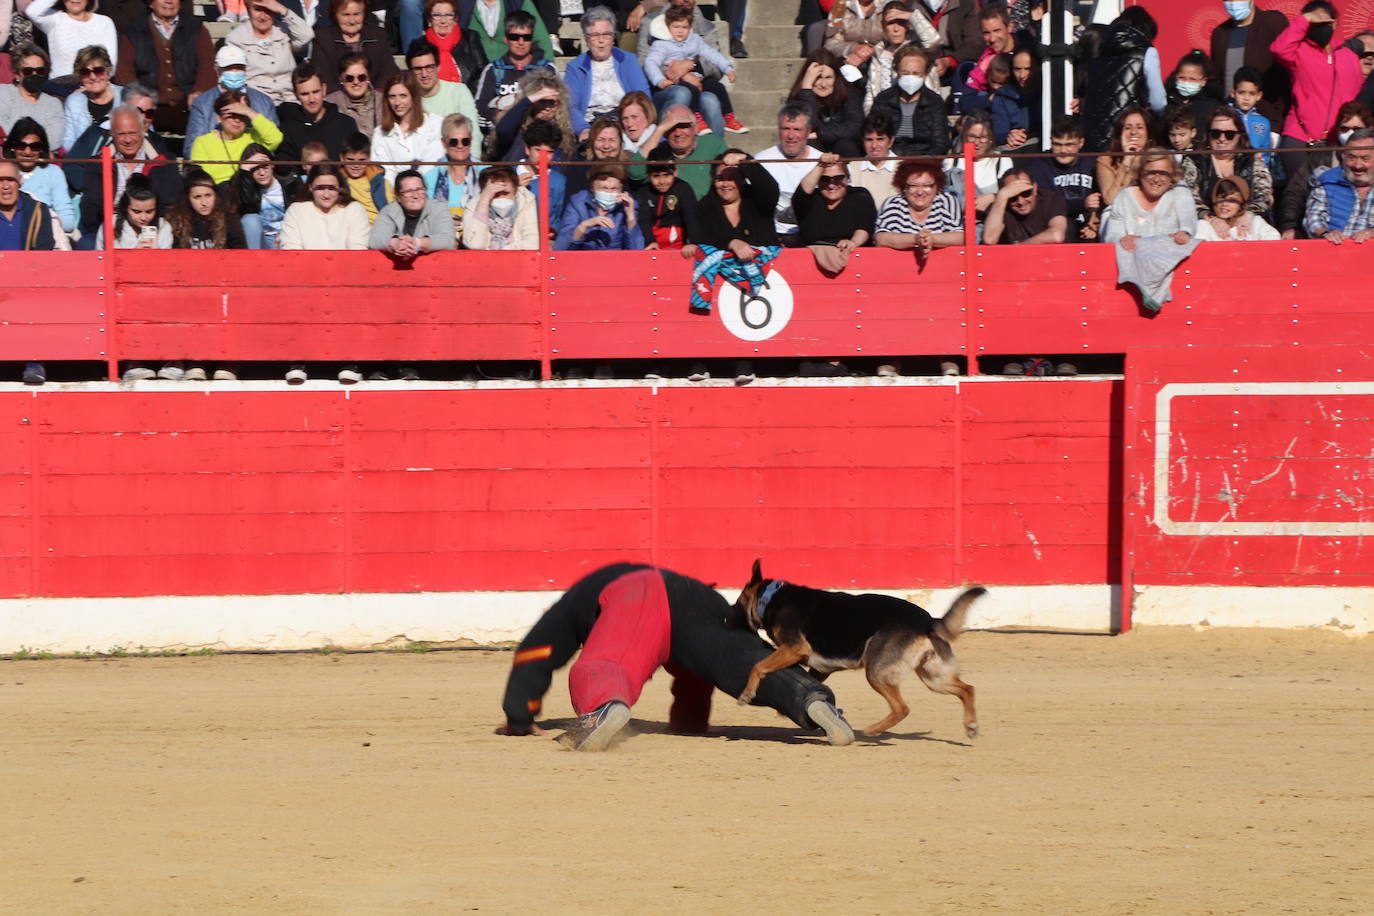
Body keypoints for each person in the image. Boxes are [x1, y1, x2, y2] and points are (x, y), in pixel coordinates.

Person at [496, 563, 854, 750]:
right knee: (743, 659)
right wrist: (689, 722)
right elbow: (696, 671)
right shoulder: (683, 586)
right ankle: (813, 701)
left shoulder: (578, 598)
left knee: (609, 660)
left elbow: (538, 649)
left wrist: (518, 713)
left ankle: (603, 706)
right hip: (702, 599)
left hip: (639, 593)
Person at [1270, 2, 1363, 178]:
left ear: (1334, 23)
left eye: (1323, 23)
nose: (1318, 28)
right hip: (1299, 137)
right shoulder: (1298, 50)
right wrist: (1305, 19)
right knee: (1298, 194)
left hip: (1337, 139)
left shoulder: (1348, 55)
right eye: (1313, 24)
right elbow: (1278, 49)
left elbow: (1355, 97)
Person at [689, 149, 781, 312]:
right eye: (720, 179)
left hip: (771, 283)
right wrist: (731, 242)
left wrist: (747, 161)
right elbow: (702, 235)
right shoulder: (705, 206)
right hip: (721, 297)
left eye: (732, 178)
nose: (725, 184)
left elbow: (771, 188)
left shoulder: (756, 200)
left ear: (742, 179)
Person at [77, 104, 181, 242]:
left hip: (152, 231)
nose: (128, 140)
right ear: (111, 133)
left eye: (132, 133)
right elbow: (91, 211)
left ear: (143, 129)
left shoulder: (164, 162)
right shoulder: (97, 165)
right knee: (87, 243)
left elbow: (170, 206)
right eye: (121, 134)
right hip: (111, 233)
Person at [114, 0, 216, 138]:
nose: (169, 1)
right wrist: (140, 99)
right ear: (150, 3)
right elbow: (124, 72)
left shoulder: (196, 28)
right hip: (151, 109)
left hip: (188, 107)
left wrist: (198, 91)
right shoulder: (134, 31)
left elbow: (207, 64)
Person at [643, 4, 742, 138]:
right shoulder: (661, 44)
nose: (680, 31)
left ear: (690, 28)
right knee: (691, 89)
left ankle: (729, 117)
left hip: (697, 75)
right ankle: (697, 118)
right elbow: (650, 62)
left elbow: (711, 54)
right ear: (668, 27)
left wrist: (727, 68)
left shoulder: (694, 40)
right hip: (675, 81)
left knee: (717, 87)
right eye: (676, 27)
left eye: (684, 27)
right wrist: (660, 80)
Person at [1277, 100, 1369, 237]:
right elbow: (1296, 193)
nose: (1350, 134)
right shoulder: (1321, 160)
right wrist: (1290, 226)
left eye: (1357, 129)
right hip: (1326, 234)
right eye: (1345, 128)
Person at [1080, 6, 1166, 152]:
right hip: (1127, 137)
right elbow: (1159, 102)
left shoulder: (1100, 50)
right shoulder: (1146, 52)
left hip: (1093, 138)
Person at [564, 6, 651, 138]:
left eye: (606, 34)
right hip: (590, 126)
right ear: (586, 39)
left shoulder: (628, 60)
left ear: (613, 37)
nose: (601, 41)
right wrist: (583, 129)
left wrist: (634, 123)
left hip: (625, 124)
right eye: (595, 35)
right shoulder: (575, 67)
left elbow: (643, 97)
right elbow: (570, 105)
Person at [181, 43, 279, 160]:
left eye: (239, 67)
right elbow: (191, 149)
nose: (234, 71)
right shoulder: (202, 103)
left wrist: (249, 112)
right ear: (217, 69)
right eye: (228, 68)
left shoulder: (263, 101)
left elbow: (274, 141)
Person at [470, 9, 555, 139]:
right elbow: (480, 105)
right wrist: (497, 114)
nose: (521, 42)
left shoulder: (547, 69)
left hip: (539, 135)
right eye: (515, 37)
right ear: (506, 39)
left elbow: (560, 103)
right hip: (503, 137)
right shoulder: (493, 70)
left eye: (526, 37)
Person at [1182, 106, 1273, 217]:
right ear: (1208, 134)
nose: (1222, 138)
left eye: (1229, 134)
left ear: (1239, 135)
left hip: (1248, 222)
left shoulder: (1252, 158)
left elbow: (1266, 197)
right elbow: (1187, 196)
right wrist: (1208, 217)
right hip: (1205, 225)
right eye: (1216, 133)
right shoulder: (1194, 160)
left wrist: (1248, 215)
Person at [793, 150, 874, 274]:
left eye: (838, 178)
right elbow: (802, 192)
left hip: (853, 258)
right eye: (825, 179)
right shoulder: (810, 200)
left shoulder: (859, 196)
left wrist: (854, 242)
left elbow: (864, 226)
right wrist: (820, 165)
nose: (831, 185)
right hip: (811, 264)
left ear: (847, 179)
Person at [1208, 0, 1289, 122]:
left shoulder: (1273, 24)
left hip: (1266, 119)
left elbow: (1286, 79)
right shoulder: (1220, 33)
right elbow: (1217, 79)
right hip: (1230, 121)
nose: (1233, 3)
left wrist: (1276, 125)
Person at [1101, 148, 1197, 248]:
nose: (1156, 179)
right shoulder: (1124, 197)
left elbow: (1189, 222)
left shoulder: (1180, 192)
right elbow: (1112, 235)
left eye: (1163, 173)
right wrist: (1122, 240)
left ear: (1172, 175)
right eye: (1151, 173)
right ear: (1141, 173)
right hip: (1132, 256)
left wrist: (1184, 233)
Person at [1025, 114, 1100, 241]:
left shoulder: (1093, 162)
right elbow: (1046, 204)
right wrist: (1083, 204)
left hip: (1089, 225)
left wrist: (1094, 224)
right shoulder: (1039, 164)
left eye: (1069, 144)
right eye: (1058, 144)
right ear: (1051, 141)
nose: (1063, 150)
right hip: (1055, 226)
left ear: (1081, 143)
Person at [629, 103, 726, 198]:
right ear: (665, 133)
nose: (678, 133)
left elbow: (733, 171)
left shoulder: (713, 144)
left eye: (683, 126)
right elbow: (635, 172)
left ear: (696, 127)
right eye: (671, 127)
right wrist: (660, 129)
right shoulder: (659, 153)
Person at [756, 103, 822, 242]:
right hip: (771, 237)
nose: (791, 135)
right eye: (786, 129)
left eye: (797, 129)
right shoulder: (761, 161)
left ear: (808, 131)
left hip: (811, 238)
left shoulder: (821, 162)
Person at [223, 0, 312, 105]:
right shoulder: (236, 38)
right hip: (257, 101)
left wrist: (283, 10)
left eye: (268, 10)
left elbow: (307, 35)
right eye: (257, 10)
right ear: (248, 10)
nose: (263, 16)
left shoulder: (284, 32)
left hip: (289, 99)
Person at [276, 63, 357, 177]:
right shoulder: (288, 129)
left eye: (316, 92)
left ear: (324, 89)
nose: (312, 99)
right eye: (305, 94)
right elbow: (285, 170)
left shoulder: (346, 124)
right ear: (296, 95)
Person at [188, 89, 283, 184]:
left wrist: (249, 112)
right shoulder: (203, 142)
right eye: (231, 115)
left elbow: (275, 139)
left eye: (242, 115)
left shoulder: (254, 137)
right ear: (219, 117)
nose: (237, 120)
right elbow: (201, 177)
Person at [869, 46, 948, 159]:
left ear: (925, 74)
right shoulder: (883, 100)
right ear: (897, 72)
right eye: (905, 73)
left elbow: (940, 142)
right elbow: (874, 134)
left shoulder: (934, 102)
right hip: (889, 158)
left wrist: (927, 160)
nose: (911, 77)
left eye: (916, 73)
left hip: (923, 159)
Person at [408, 38, 484, 154]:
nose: (424, 74)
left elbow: (473, 133)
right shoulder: (407, 98)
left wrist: (472, 166)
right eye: (418, 69)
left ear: (438, 67)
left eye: (429, 67)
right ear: (410, 71)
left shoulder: (458, 91)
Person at [874, 157, 964, 253]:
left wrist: (932, 239)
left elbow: (961, 237)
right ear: (904, 187)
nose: (920, 192)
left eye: (927, 185)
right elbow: (880, 238)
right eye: (913, 185)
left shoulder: (947, 201)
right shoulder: (892, 203)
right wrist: (915, 239)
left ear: (937, 187)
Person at [4, 119, 74, 234]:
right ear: (12, 147)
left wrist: (40, 222)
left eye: (34, 147)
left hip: (44, 237)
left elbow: (68, 222)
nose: (27, 152)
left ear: (42, 149)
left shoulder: (54, 173)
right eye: (21, 146)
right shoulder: (3, 172)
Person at [1303, 128, 1374, 243]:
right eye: (1351, 157)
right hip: (1334, 251)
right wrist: (1325, 233)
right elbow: (1313, 217)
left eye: (1365, 158)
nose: (1357, 165)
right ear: (1343, 156)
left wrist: (1371, 233)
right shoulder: (1329, 180)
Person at [372, 72, 444, 185]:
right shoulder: (380, 133)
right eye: (392, 96)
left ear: (413, 96)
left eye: (403, 96)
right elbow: (385, 173)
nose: (397, 102)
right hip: (396, 195)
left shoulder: (435, 125)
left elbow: (431, 167)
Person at [311, 0, 397, 94]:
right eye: (346, 15)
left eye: (356, 14)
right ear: (335, 15)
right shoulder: (323, 39)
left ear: (364, 14)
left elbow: (388, 72)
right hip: (337, 101)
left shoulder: (378, 36)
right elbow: (324, 77)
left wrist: (376, 97)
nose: (352, 21)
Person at [368, 167, 457, 256]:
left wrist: (417, 243)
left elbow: (448, 240)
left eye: (419, 189)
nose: (415, 195)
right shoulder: (388, 212)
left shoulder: (439, 209)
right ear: (398, 197)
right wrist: (396, 243)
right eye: (408, 191)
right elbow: (375, 239)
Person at [280, 162, 370, 248]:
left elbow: (358, 249)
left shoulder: (354, 210)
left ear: (340, 187)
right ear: (310, 187)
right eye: (320, 188)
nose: (326, 195)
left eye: (331, 188)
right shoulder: (296, 211)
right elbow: (292, 249)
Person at [787, 49, 859, 157]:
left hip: (842, 145)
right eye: (817, 78)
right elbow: (807, 126)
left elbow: (855, 128)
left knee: (846, 145)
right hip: (814, 145)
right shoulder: (798, 97)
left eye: (828, 77)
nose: (823, 84)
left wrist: (821, 134)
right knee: (809, 147)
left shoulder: (850, 94)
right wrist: (807, 89)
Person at [423, 112, 482, 239]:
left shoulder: (485, 173)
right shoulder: (430, 177)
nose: (460, 146)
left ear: (471, 141)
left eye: (465, 141)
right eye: (454, 142)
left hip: (476, 237)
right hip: (442, 238)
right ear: (444, 143)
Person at [556, 165, 642, 251]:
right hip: (583, 260)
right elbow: (561, 248)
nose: (609, 192)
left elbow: (637, 250)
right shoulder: (578, 203)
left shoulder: (627, 204)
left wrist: (630, 217)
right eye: (604, 188)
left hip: (616, 260)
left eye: (614, 189)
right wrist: (583, 226)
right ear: (592, 188)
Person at [24, 0, 118, 78]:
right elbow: (32, 11)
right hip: (60, 86)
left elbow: (110, 66)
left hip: (93, 84)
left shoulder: (104, 22)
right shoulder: (54, 19)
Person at [0, 45, 65, 149]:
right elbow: (1, 130)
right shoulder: (3, 93)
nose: (34, 75)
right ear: (17, 74)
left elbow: (54, 141)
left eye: (40, 71)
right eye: (28, 71)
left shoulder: (53, 104)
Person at [945, 110, 1008, 218]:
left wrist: (994, 197)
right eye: (972, 137)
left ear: (990, 139)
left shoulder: (1002, 161)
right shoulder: (951, 162)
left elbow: (1011, 193)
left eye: (983, 137)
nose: (977, 143)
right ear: (964, 137)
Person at [225, 143, 288, 248]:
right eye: (255, 168)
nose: (262, 173)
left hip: (287, 237)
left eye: (265, 166)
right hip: (263, 240)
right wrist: (245, 172)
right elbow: (248, 207)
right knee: (250, 219)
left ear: (272, 164)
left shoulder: (289, 182)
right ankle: (252, 262)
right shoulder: (243, 186)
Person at [634, 145, 697, 250]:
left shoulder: (683, 189)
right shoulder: (644, 191)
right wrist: (650, 241)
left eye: (666, 175)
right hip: (652, 243)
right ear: (648, 175)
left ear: (675, 172)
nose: (662, 181)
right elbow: (644, 220)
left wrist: (693, 242)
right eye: (656, 176)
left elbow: (691, 218)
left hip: (677, 243)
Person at [983, 167, 1068, 245]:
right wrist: (1001, 197)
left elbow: (1057, 235)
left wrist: (1018, 248)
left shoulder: (1051, 199)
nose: (1021, 201)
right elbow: (989, 239)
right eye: (1013, 197)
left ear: (1034, 188)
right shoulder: (1000, 205)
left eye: (1026, 193)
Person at [463, 163, 537, 249]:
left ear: (515, 191)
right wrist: (484, 201)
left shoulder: (526, 201)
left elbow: (532, 243)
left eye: (506, 193)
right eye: (496, 194)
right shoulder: (473, 205)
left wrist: (503, 251)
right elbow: (475, 245)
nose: (501, 198)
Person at [168, 167, 247, 248]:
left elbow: (240, 253)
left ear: (215, 195)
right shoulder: (177, 221)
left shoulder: (229, 220)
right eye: (197, 197)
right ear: (187, 198)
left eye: (208, 195)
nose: (204, 203)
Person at [461, 0, 555, 67]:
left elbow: (542, 40)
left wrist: (548, 74)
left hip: (512, 70)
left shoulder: (518, 2)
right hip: (475, 71)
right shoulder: (463, 4)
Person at [62, 44, 120, 152]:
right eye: (86, 72)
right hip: (85, 164)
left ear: (108, 72)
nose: (93, 77)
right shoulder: (73, 102)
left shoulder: (126, 97)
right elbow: (68, 143)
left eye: (98, 71)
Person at [1097, 106, 1153, 207]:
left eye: (1139, 127)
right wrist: (1127, 161)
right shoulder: (1105, 160)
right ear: (1120, 134)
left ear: (1148, 133)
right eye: (1128, 128)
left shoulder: (1158, 158)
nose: (1133, 132)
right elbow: (1111, 200)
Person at [422, 0, 487, 86]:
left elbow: (483, 72)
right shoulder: (421, 45)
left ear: (455, 18)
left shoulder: (470, 38)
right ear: (429, 20)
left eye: (449, 15)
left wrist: (464, 94)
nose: (443, 21)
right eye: (437, 15)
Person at [1194, 175, 1280, 240]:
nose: (1224, 204)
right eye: (1220, 198)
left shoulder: (1255, 223)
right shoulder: (1204, 226)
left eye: (1232, 200)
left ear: (1242, 204)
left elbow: (1274, 239)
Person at [100, 173, 172, 248]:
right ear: (125, 207)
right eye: (137, 212)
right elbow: (100, 257)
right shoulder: (111, 224)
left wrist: (158, 254)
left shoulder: (164, 227)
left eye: (149, 211)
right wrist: (134, 253)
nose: (143, 218)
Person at [1164, 50, 1224, 137]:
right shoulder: (1168, 101)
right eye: (1182, 78)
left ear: (1203, 81)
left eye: (1192, 79)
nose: (1186, 82)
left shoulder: (1212, 106)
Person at [0, 158, 56, 251]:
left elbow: (44, 251)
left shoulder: (38, 211)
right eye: (0, 180)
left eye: (11, 180)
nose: (6, 186)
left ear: (20, 181)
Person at [848, 111, 898, 207]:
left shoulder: (903, 167)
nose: (874, 145)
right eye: (869, 140)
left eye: (880, 139)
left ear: (891, 141)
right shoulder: (852, 168)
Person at [1229, 65, 1275, 168]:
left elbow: (1266, 152)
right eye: (1241, 92)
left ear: (1259, 96)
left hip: (1256, 171)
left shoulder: (1263, 122)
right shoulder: (1226, 118)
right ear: (1233, 93)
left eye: (1251, 93)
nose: (1246, 98)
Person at [326, 55, 384, 135]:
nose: (356, 82)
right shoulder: (330, 104)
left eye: (361, 77)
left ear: (368, 77)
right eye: (350, 78)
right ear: (341, 78)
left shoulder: (383, 101)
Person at [339, 130, 388, 222]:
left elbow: (390, 209)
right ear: (342, 158)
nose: (356, 165)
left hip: (377, 228)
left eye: (361, 160)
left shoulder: (379, 180)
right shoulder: (337, 180)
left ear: (369, 159)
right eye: (350, 159)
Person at [617, 90, 666, 156]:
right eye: (625, 118)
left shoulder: (662, 144)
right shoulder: (616, 146)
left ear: (648, 116)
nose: (629, 124)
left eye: (634, 117)